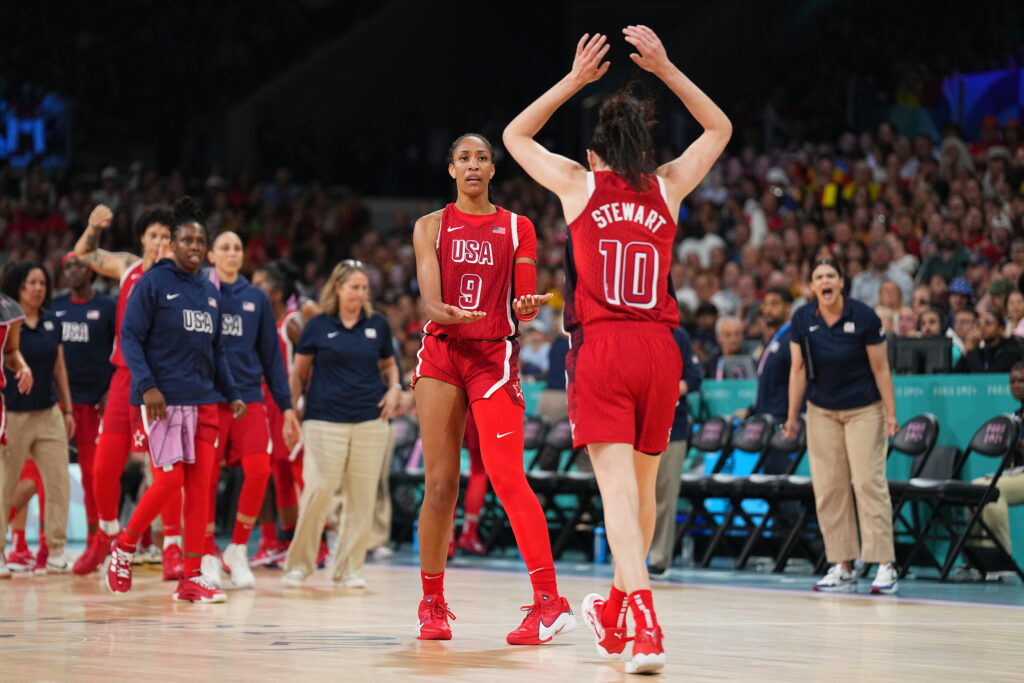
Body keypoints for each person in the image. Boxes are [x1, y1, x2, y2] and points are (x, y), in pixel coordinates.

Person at [504, 26, 731, 673]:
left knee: (618, 501)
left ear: (597, 152)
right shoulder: (666, 187)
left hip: (604, 345)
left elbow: (515, 136)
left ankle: (647, 624)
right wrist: (665, 69)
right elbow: (720, 129)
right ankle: (615, 605)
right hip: (662, 348)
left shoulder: (579, 184)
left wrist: (574, 81)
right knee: (639, 492)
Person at [410, 132, 573, 645]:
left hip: (492, 356)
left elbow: (526, 293)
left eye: (482, 158)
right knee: (440, 485)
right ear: (452, 169)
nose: (474, 164)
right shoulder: (430, 226)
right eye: (465, 158)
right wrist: (446, 313)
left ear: (493, 170)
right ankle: (432, 603)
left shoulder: (517, 227)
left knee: (506, 477)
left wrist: (527, 305)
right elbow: (430, 301)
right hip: (440, 350)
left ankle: (549, 602)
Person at [105, 197, 244, 603]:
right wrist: (147, 386)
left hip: (205, 400)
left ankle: (192, 576)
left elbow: (217, 349)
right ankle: (125, 545)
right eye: (186, 240)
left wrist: (232, 391)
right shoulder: (153, 283)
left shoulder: (210, 291)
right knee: (169, 480)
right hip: (163, 401)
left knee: (201, 488)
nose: (195, 247)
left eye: (201, 240)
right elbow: (130, 338)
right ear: (172, 243)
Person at [71, 204, 178, 577]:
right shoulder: (128, 267)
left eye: (167, 237)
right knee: (103, 468)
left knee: (165, 470)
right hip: (124, 379)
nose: (161, 242)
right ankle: (106, 535)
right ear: (143, 239)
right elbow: (83, 254)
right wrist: (93, 226)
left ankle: (173, 548)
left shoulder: (181, 276)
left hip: (164, 382)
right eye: (154, 236)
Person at [783, 258, 899, 595]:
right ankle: (842, 565)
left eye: (830, 275)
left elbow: (881, 370)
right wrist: (792, 418)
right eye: (818, 277)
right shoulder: (803, 319)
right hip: (821, 411)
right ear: (812, 286)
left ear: (841, 281)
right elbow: (798, 371)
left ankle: (884, 565)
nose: (825, 281)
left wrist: (891, 414)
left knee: (867, 483)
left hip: (865, 409)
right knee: (829, 488)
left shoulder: (863, 316)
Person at [281, 260, 399, 589]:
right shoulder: (318, 325)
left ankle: (348, 568)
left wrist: (394, 387)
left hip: (369, 420)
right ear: (337, 288)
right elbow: (299, 374)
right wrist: (290, 412)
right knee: (318, 491)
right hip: (323, 420)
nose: (360, 294)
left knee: (361, 498)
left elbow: (390, 365)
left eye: (364, 288)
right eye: (354, 287)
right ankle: (300, 564)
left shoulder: (378, 324)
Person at [202, 232, 299, 589]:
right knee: (206, 479)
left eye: (237, 248)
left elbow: (273, 358)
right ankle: (206, 552)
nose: (231, 253)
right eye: (224, 247)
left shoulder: (255, 298)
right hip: (209, 398)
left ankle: (238, 548)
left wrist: (287, 408)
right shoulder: (200, 293)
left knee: (259, 471)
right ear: (211, 254)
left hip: (249, 398)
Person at [0, 261, 75, 574]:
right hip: (14, 415)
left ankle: (56, 551)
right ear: (18, 287)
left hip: (48, 413)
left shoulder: (51, 322)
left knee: (58, 483)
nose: (38, 288)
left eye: (42, 283)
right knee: (4, 485)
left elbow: (59, 368)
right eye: (32, 282)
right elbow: (8, 356)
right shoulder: (8, 321)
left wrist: (68, 410)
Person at [51, 252, 116, 562]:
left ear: (92, 272)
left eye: (78, 265)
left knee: (93, 475)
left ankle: (97, 540)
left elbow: (124, 347)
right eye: (68, 266)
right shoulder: (56, 306)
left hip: (94, 403)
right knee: (48, 475)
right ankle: (49, 547)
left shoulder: (108, 307)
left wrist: (111, 389)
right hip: (59, 403)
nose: (73, 270)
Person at [250, 260, 314, 567]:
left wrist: (303, 403)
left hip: (290, 404)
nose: (253, 288)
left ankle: (319, 543)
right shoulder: (259, 322)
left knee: (301, 475)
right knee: (278, 476)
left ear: (275, 292)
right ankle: (280, 542)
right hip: (265, 404)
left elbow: (313, 364)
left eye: (259, 283)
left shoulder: (292, 323)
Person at [648, 323, 702, 577]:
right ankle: (627, 558)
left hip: (673, 424)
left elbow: (694, 377)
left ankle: (659, 558)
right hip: (636, 424)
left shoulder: (678, 334)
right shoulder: (632, 330)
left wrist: (671, 388)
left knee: (665, 495)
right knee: (631, 494)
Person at [964, 362, 1024, 572]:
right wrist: (1006, 453)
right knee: (975, 488)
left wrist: (1016, 444)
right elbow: (1007, 463)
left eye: (1021, 381)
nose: (1016, 386)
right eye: (1012, 382)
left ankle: (1001, 561)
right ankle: (977, 559)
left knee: (994, 493)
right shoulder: (1014, 416)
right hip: (1016, 473)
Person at [954, 310, 1024, 373]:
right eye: (979, 324)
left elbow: (987, 380)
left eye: (988, 323)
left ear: (1001, 329)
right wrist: (966, 352)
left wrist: (972, 351)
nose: (982, 327)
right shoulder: (981, 352)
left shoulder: (1011, 351)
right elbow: (955, 377)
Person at [850, 241, 913, 307]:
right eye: (875, 251)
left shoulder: (903, 278)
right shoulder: (859, 280)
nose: (879, 255)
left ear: (890, 254)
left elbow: (906, 304)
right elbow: (854, 306)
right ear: (869, 255)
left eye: (883, 252)